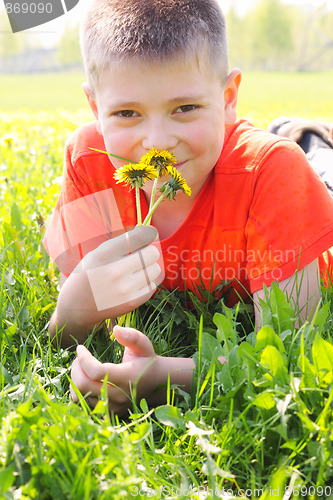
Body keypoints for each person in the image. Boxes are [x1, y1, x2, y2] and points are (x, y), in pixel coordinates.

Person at [43, 0, 333, 416]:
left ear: (228, 96)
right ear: (95, 109)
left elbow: (290, 348)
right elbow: (65, 330)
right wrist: (73, 309)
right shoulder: (88, 159)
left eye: (186, 108)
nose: (157, 141)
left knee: (318, 165)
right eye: (127, 113)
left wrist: (173, 377)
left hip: (303, 179)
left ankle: (309, 135)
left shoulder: (272, 171)